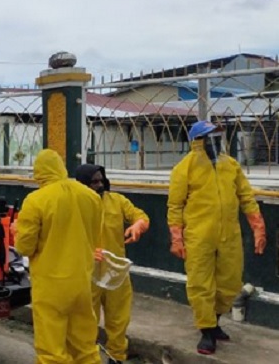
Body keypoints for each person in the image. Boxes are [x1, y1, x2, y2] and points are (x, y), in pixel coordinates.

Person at [167, 120, 266, 355]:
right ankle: (207, 330)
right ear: (198, 141)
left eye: (218, 136)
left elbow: (245, 196)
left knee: (230, 283)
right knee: (201, 283)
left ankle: (215, 320)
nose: (216, 141)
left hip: (229, 234)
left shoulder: (230, 165)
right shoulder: (184, 168)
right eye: (210, 136)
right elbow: (175, 205)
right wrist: (176, 237)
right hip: (198, 236)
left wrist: (258, 226)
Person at [14, 149, 103, 364]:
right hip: (81, 282)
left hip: (50, 285)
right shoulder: (90, 196)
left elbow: (25, 247)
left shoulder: (35, 201)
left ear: (38, 173)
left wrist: (16, 232)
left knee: (51, 350)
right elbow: (94, 235)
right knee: (85, 346)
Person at [76, 164, 150, 364]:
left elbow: (140, 215)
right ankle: (87, 358)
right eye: (94, 182)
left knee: (118, 319)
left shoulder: (116, 201)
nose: (99, 185)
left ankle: (116, 358)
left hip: (115, 272)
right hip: (87, 272)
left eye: (101, 180)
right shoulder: (74, 205)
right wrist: (86, 252)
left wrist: (138, 226)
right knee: (86, 320)